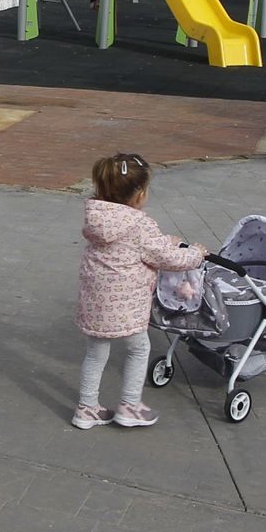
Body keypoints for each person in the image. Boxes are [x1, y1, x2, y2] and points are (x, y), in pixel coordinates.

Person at [73, 153, 206, 430]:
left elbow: (134, 247)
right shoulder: (140, 223)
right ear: (139, 194)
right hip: (127, 305)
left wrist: (164, 241)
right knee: (139, 348)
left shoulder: (98, 218)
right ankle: (130, 406)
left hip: (95, 302)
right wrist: (196, 254)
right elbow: (166, 258)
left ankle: (86, 408)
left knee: (95, 353)